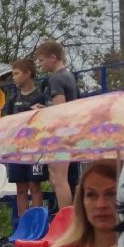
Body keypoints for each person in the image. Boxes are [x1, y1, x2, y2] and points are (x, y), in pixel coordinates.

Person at [35, 39, 79, 208]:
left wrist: (42, 112)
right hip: (69, 131)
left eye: (41, 60)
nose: (40, 64)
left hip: (60, 134)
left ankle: (65, 217)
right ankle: (66, 214)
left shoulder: (55, 78)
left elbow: (60, 110)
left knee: (59, 178)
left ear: (53, 57)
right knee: (58, 178)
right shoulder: (69, 76)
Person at [5, 58, 46, 216]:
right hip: (16, 150)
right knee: (20, 189)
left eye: (16, 74)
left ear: (28, 74)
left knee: (34, 186)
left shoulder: (40, 97)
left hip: (34, 150)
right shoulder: (13, 99)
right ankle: (24, 224)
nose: (13, 77)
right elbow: (8, 122)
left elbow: (42, 123)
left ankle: (37, 224)